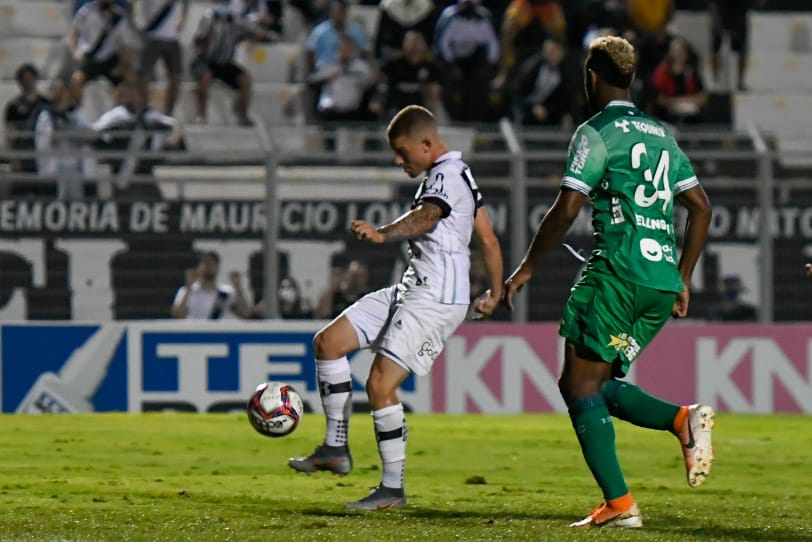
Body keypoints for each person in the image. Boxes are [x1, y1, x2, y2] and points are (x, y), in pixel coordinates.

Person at [503, 36, 716, 528]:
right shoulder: (661, 133)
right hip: (660, 283)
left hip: (619, 273)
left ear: (592, 76)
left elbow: (567, 207)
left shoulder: (595, 132)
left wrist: (529, 266)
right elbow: (701, 208)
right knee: (591, 382)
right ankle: (682, 421)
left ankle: (621, 505)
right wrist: (683, 277)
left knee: (580, 389)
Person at [288, 105, 504, 510]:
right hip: (413, 287)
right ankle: (335, 449)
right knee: (329, 343)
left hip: (436, 297)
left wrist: (382, 233)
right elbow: (489, 240)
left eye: (404, 152)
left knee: (380, 385)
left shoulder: (444, 176)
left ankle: (392, 490)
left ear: (427, 144)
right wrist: (496, 292)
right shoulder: (461, 175)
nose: (398, 160)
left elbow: (427, 216)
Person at [191, 1, 270, 125]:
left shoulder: (237, 21)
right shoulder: (208, 18)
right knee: (205, 76)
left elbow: (257, 33)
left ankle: (242, 114)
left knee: (245, 80)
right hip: (205, 60)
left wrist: (257, 31)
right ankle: (201, 114)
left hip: (225, 63)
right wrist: (208, 36)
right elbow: (197, 41)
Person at [34, 79, 97, 200]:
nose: (65, 95)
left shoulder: (76, 114)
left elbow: (92, 135)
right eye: (61, 92)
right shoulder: (46, 115)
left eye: (66, 91)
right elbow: (51, 139)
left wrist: (75, 132)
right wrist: (71, 132)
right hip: (55, 169)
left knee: (77, 203)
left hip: (76, 167)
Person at [133, 0, 189, 116]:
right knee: (143, 76)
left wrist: (183, 19)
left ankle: (168, 114)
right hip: (151, 37)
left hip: (172, 38)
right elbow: (132, 6)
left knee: (176, 77)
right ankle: (143, 112)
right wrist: (137, 27)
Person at [170, 251, 253, 319]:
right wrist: (188, 286)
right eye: (206, 263)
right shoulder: (186, 291)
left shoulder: (226, 293)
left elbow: (245, 313)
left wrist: (238, 287)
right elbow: (178, 315)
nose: (209, 266)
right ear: (198, 267)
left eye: (213, 263)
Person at [4, 64, 51, 179]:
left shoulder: (46, 103)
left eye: (30, 78)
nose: (28, 82)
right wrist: (14, 158)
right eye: (24, 79)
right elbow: (10, 133)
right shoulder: (13, 106)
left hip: (42, 152)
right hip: (23, 152)